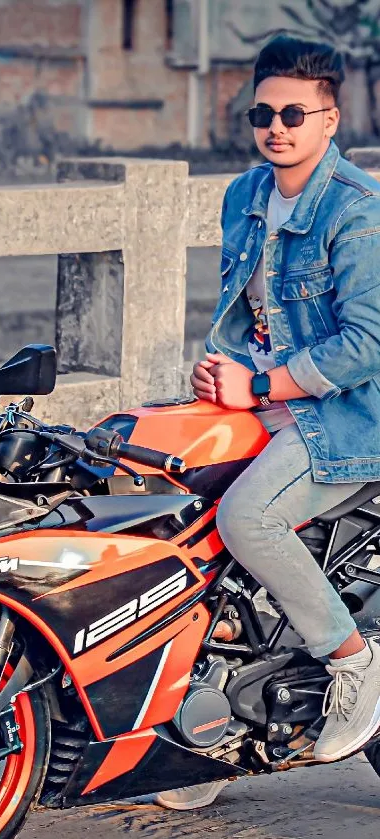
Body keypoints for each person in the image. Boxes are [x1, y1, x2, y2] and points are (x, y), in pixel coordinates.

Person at [143, 34, 380, 811]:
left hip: (345, 415)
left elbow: (365, 343)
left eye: (292, 113)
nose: (275, 126)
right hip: (264, 401)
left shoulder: (355, 208)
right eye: (261, 112)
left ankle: (353, 662)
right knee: (162, 496)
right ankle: (203, 736)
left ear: (328, 118)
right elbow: (246, 309)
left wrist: (266, 381)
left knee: (247, 518)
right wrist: (222, 369)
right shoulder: (245, 191)